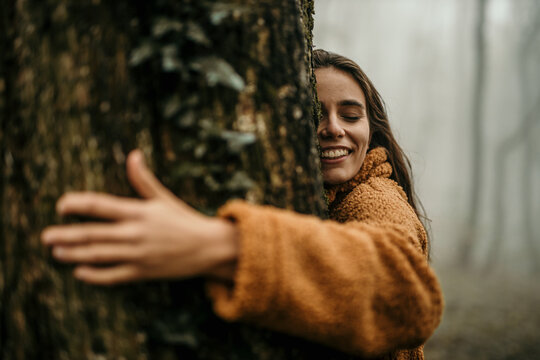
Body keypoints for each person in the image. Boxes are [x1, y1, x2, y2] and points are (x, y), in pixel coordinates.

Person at [41, 49, 443, 359]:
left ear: (372, 130)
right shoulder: (325, 201)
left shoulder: (377, 196)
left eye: (350, 116)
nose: (333, 129)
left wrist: (219, 245)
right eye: (314, 114)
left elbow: (404, 295)